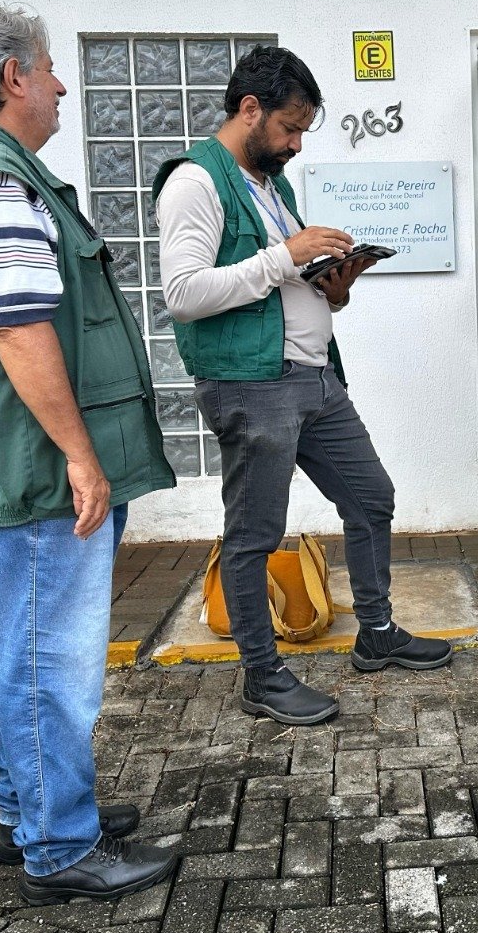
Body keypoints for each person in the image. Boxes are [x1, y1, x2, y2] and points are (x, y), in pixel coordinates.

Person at [0, 3, 178, 904]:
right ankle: (60, 846)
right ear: (13, 77)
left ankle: (27, 807)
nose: (63, 85)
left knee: (16, 647)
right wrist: (80, 454)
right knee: (48, 661)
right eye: (50, 66)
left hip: (12, 463)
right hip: (35, 470)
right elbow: (20, 329)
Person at [157, 46, 450, 728]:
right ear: (249, 109)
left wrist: (333, 288)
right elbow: (184, 294)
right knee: (254, 534)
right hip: (252, 384)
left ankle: (377, 634)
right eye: (290, 127)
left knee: (371, 496)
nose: (295, 144)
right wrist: (285, 255)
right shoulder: (195, 183)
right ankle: (263, 677)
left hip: (315, 378)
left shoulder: (271, 187)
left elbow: (286, 286)